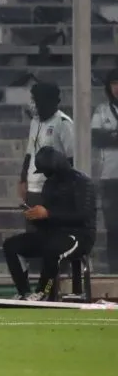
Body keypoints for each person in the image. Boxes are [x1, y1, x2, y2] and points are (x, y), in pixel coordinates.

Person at [4, 146, 96, 301]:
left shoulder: (82, 182)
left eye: (47, 171)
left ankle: (43, 292)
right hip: (52, 233)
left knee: (53, 249)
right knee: (11, 245)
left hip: (79, 236)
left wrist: (48, 214)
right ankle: (24, 293)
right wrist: (36, 217)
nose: (45, 175)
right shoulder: (49, 184)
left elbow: (83, 216)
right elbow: (48, 219)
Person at [20, 82, 74, 225]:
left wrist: (64, 189)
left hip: (53, 190)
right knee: (32, 232)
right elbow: (30, 152)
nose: (32, 104)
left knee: (50, 231)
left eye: (35, 99)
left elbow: (72, 159)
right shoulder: (35, 122)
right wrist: (23, 180)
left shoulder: (64, 123)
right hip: (33, 188)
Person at [91, 69, 118, 273]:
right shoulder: (102, 110)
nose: (117, 88)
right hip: (110, 177)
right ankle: (114, 269)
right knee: (113, 227)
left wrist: (112, 135)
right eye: (114, 83)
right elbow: (97, 138)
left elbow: (106, 137)